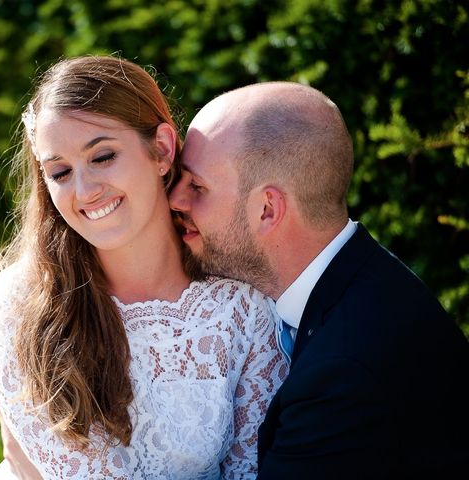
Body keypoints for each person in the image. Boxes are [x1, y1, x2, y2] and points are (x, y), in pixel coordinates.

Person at [0, 56, 287, 479]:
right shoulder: (20, 307)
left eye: (102, 157)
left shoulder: (241, 302)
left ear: (162, 149)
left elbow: (255, 469)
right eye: (59, 172)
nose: (84, 191)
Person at [169, 81, 469, 479]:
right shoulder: (365, 279)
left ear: (267, 210)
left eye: (197, 186)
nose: (175, 200)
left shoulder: (343, 373)